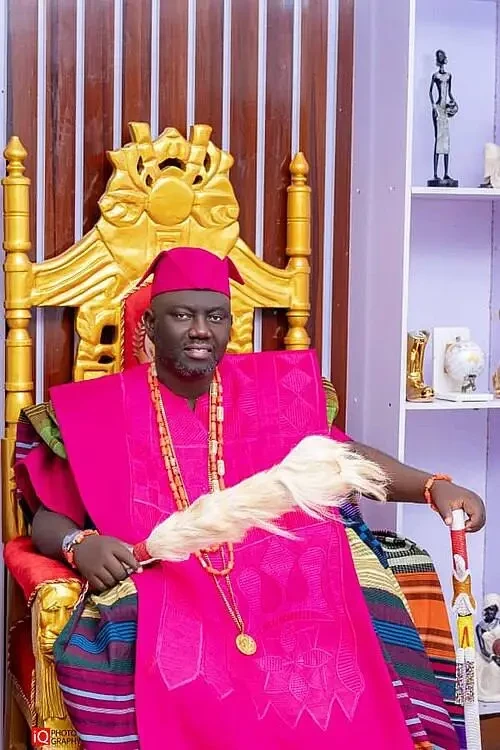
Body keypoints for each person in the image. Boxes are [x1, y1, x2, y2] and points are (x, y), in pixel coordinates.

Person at [16, 247, 484, 750]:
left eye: (216, 317)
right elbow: (46, 517)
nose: (201, 330)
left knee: (371, 597)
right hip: (164, 576)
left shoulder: (276, 390)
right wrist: (78, 544)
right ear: (150, 324)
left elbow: (343, 460)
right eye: (182, 315)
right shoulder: (98, 408)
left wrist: (433, 486)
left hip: (281, 568)